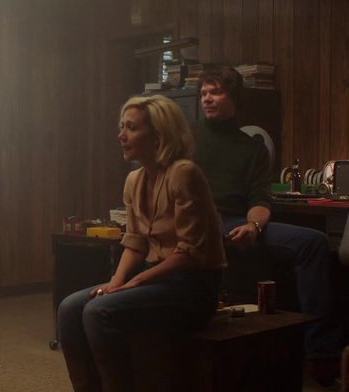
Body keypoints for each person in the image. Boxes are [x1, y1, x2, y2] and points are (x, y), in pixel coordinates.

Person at [58, 95, 226, 391]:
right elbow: (135, 243)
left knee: (98, 311)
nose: (121, 135)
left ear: (159, 135)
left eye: (132, 128)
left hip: (192, 287)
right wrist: (116, 282)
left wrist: (134, 283)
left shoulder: (184, 173)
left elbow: (190, 253)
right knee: (70, 307)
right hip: (153, 280)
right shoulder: (134, 180)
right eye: (122, 127)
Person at [193, 65, 345, 385]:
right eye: (203, 93)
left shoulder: (253, 148)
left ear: (234, 98)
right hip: (198, 221)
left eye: (215, 92)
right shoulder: (188, 139)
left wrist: (254, 227)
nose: (207, 98)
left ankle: (322, 355)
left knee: (314, 242)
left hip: (239, 221)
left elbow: (261, 200)